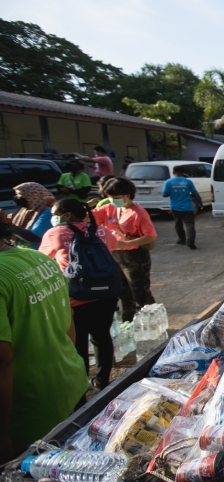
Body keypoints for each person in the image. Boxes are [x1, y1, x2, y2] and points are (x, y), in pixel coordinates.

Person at [0, 220, 88, 462]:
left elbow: (2, 360)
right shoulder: (38, 258)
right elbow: (68, 318)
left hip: (26, 414)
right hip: (69, 384)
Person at [39, 199, 119, 390]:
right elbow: (112, 248)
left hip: (75, 297)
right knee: (102, 336)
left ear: (66, 215)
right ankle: (102, 381)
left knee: (78, 342)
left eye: (54, 214)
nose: (53, 218)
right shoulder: (102, 231)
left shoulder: (55, 233)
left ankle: (81, 387)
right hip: (106, 294)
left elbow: (41, 259)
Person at [92, 177, 157, 322]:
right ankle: (128, 321)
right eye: (109, 197)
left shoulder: (138, 213)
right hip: (115, 255)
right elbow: (87, 218)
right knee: (123, 292)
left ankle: (154, 321)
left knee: (140, 293)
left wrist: (127, 244)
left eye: (116, 197)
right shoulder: (110, 208)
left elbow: (150, 236)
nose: (112, 200)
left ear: (127, 195)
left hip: (135, 256)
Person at [162, 166, 203, 249]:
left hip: (175, 207)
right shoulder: (188, 182)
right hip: (188, 207)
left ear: (174, 172)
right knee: (189, 224)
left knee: (178, 224)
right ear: (183, 173)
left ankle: (181, 239)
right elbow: (195, 193)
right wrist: (200, 203)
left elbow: (164, 194)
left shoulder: (168, 182)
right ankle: (190, 241)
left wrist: (172, 192)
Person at [8, 183, 55, 250]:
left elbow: (34, 237)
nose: (17, 197)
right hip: (24, 252)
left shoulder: (48, 213)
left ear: (33, 195)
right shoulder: (24, 211)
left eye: (19, 195)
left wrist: (10, 225)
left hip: (38, 253)